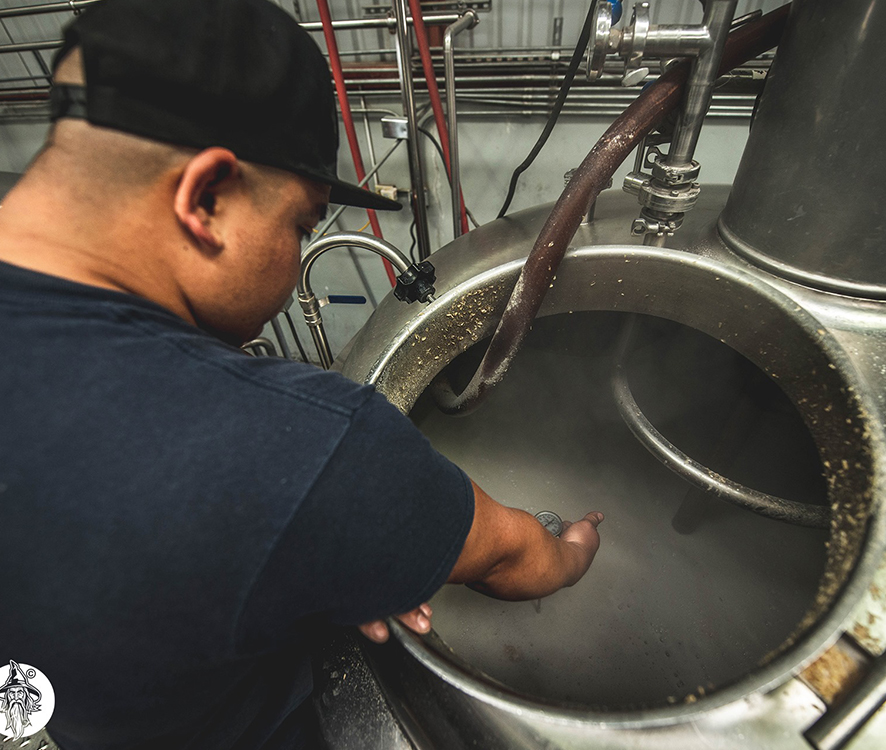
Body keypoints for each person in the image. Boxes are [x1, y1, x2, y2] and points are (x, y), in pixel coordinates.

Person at [0, 0, 604, 748]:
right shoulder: (292, 449)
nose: (294, 269)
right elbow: (515, 554)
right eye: (300, 225)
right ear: (208, 198)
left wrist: (301, 555)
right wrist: (574, 549)